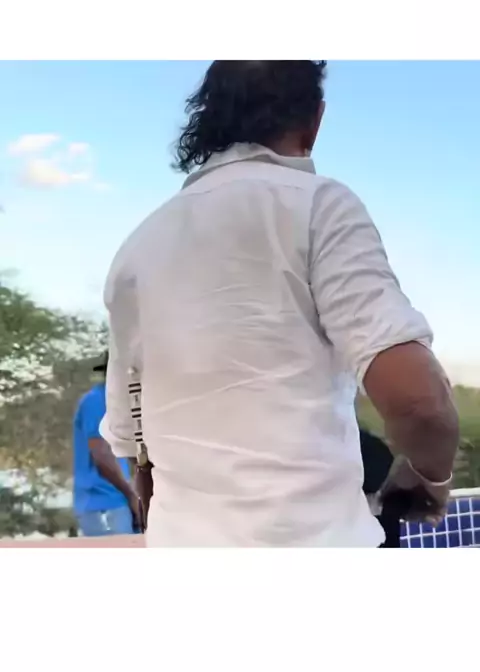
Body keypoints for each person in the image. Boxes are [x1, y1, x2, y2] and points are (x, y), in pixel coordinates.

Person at [100, 60, 459, 547]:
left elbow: (135, 443)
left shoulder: (137, 248)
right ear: (315, 119)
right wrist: (429, 475)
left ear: (208, 116)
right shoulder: (317, 205)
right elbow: (419, 402)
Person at [73, 352, 141, 536]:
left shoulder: (117, 404)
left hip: (118, 501)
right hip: (102, 503)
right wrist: (131, 495)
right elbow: (102, 455)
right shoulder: (97, 401)